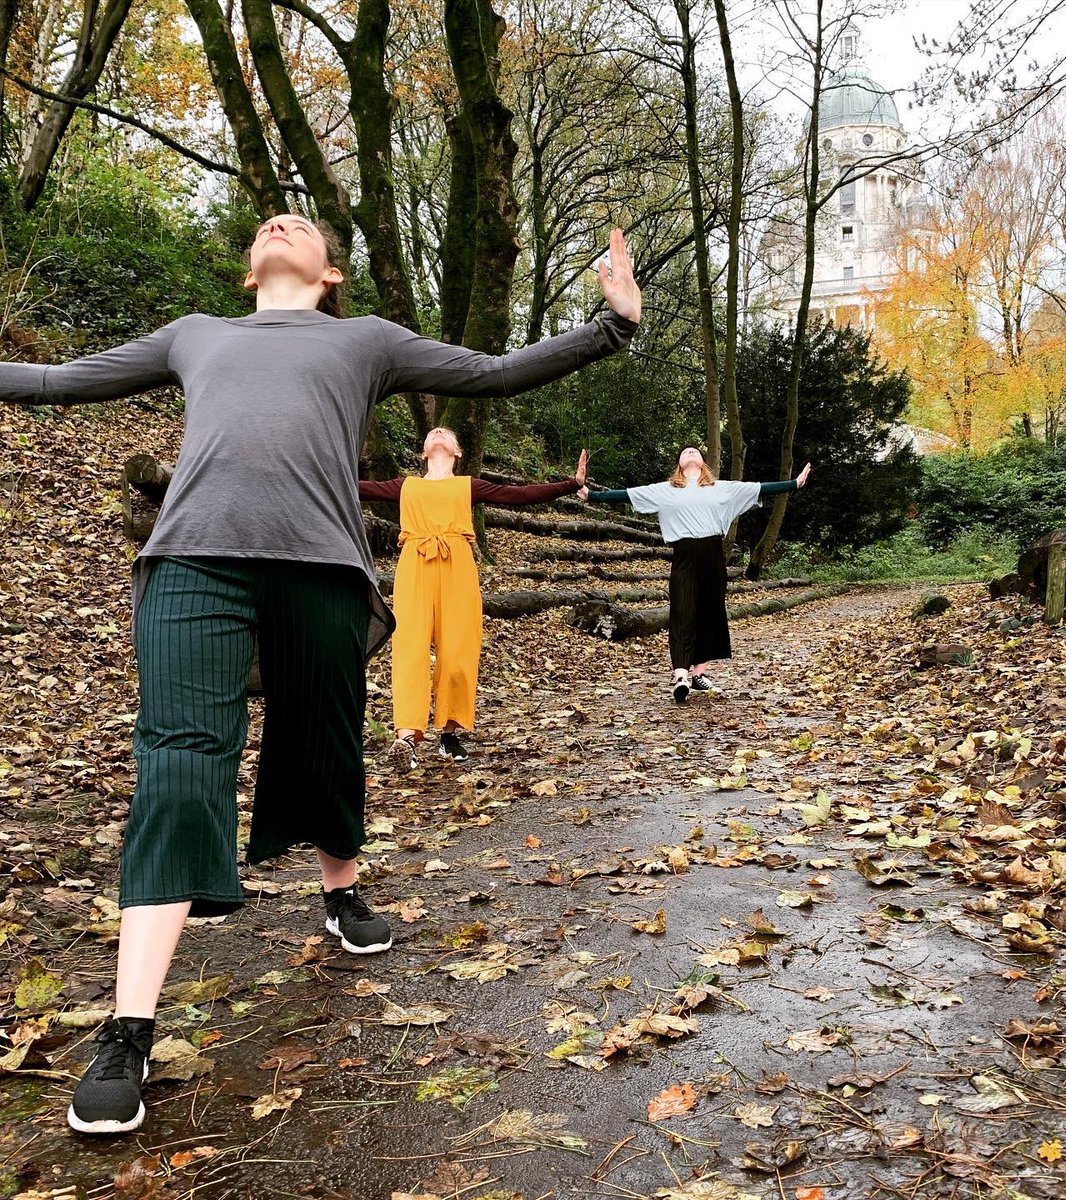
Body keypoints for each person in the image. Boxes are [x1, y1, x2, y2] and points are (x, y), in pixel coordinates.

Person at [0, 214, 640, 1134]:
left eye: (297, 221)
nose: (277, 220)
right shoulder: (197, 335)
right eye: (267, 220)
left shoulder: (366, 342)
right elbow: (62, 382)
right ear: (246, 271)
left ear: (331, 272)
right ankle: (129, 1029)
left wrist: (611, 325)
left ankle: (341, 890)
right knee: (178, 763)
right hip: (192, 565)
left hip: (323, 572)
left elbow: (492, 372)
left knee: (323, 741)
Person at [360, 436, 588, 766]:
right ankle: (406, 737)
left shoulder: (468, 486)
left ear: (458, 451)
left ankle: (449, 735)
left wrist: (571, 484)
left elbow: (519, 496)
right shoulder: (405, 486)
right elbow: (355, 487)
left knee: (457, 652)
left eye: (446, 434)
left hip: (457, 567)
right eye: (432, 433)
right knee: (410, 649)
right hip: (415, 566)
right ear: (424, 452)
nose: (438, 432)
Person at [584, 446, 809, 702]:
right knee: (682, 610)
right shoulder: (665, 490)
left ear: (703, 462)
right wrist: (590, 495)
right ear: (679, 463)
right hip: (684, 555)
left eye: (695, 451)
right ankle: (681, 675)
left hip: (713, 555)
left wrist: (794, 483)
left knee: (710, 612)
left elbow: (759, 488)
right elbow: (626, 495)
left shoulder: (722, 488)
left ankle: (699, 674)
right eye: (685, 452)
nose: (690, 452)